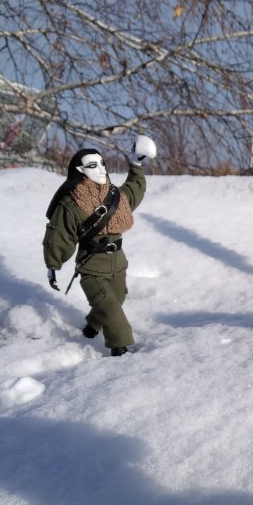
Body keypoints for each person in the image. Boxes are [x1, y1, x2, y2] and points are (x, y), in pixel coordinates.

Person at [43, 135, 156, 357]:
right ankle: (120, 350)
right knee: (113, 311)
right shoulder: (71, 203)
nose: (100, 169)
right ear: (80, 169)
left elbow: (135, 189)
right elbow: (59, 234)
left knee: (117, 297)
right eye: (92, 166)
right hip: (92, 266)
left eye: (102, 164)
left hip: (118, 263)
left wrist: (136, 164)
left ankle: (92, 325)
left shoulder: (116, 196)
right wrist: (53, 265)